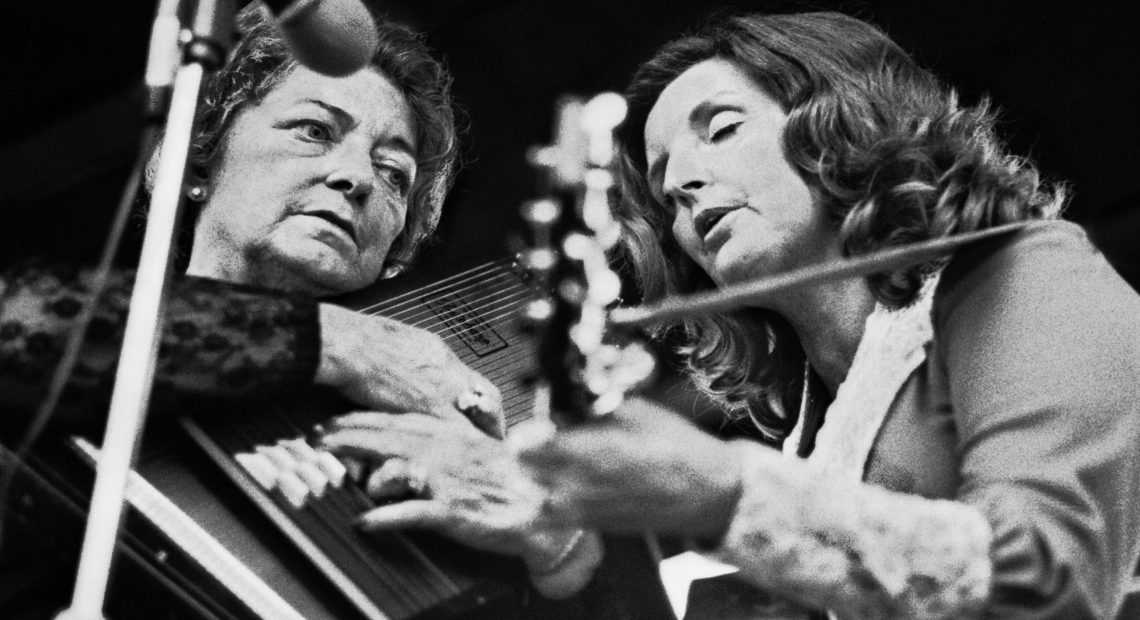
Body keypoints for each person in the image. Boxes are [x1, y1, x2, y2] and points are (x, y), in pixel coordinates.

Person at [507, 11, 1140, 619]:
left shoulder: (1026, 270)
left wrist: (725, 494)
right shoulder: (807, 437)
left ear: (840, 122)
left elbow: (1057, 581)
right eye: (663, 181)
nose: (682, 185)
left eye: (722, 129)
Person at [0, 4, 596, 614]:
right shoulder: (74, 334)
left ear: (396, 244)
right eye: (314, 130)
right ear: (199, 158)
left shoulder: (435, 432)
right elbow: (20, 325)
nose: (356, 177)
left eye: (394, 173)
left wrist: (557, 547)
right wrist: (342, 343)